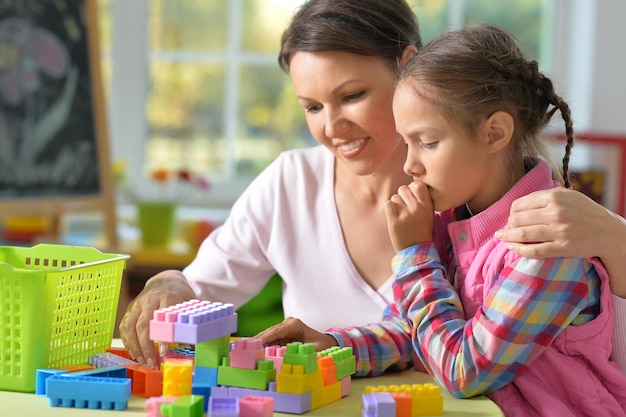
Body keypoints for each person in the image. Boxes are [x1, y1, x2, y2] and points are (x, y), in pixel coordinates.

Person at [119, 0, 626, 374]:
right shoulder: (293, 184)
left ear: (408, 69)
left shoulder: (479, 214)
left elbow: (470, 366)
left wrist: (413, 254)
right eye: (312, 107)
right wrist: (167, 285)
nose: (332, 126)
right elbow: (197, 287)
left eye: (353, 95)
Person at [385, 24, 626, 416]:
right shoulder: (449, 224)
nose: (410, 165)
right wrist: (332, 346)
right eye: (407, 143)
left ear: (495, 133)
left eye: (427, 142)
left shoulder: (548, 243)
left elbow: (464, 371)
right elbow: (413, 335)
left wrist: (414, 256)